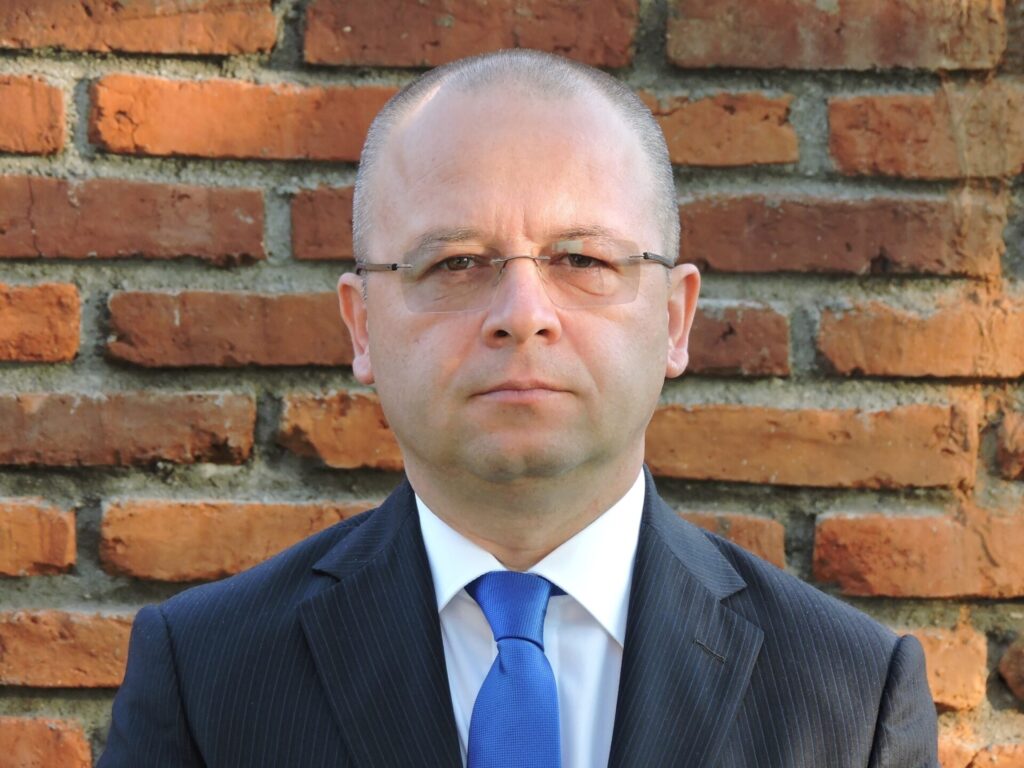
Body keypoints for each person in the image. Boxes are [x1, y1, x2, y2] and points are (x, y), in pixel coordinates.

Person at [99, 49, 938, 767]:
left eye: (582, 259)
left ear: (676, 320)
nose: (523, 311)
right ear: (362, 326)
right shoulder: (204, 675)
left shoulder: (853, 698)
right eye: (457, 262)